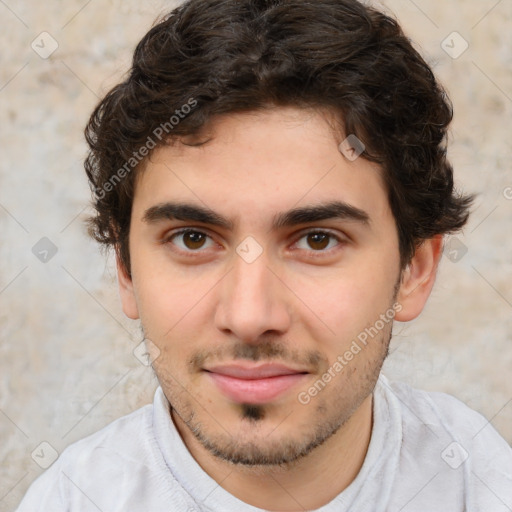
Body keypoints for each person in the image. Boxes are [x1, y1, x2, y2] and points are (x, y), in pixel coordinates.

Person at [15, 0, 512, 510]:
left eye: (318, 240)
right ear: (125, 269)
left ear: (415, 269)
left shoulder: (479, 482)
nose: (250, 317)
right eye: (193, 239)